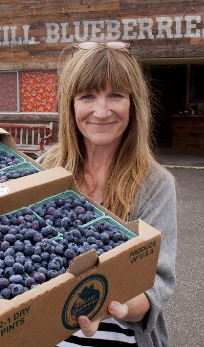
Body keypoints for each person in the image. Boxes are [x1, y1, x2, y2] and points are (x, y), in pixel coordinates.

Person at [37, 41, 177, 347]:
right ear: (71, 104)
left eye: (115, 95)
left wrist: (121, 305)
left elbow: (156, 283)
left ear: (133, 103)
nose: (102, 111)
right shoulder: (43, 170)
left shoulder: (154, 186)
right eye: (88, 96)